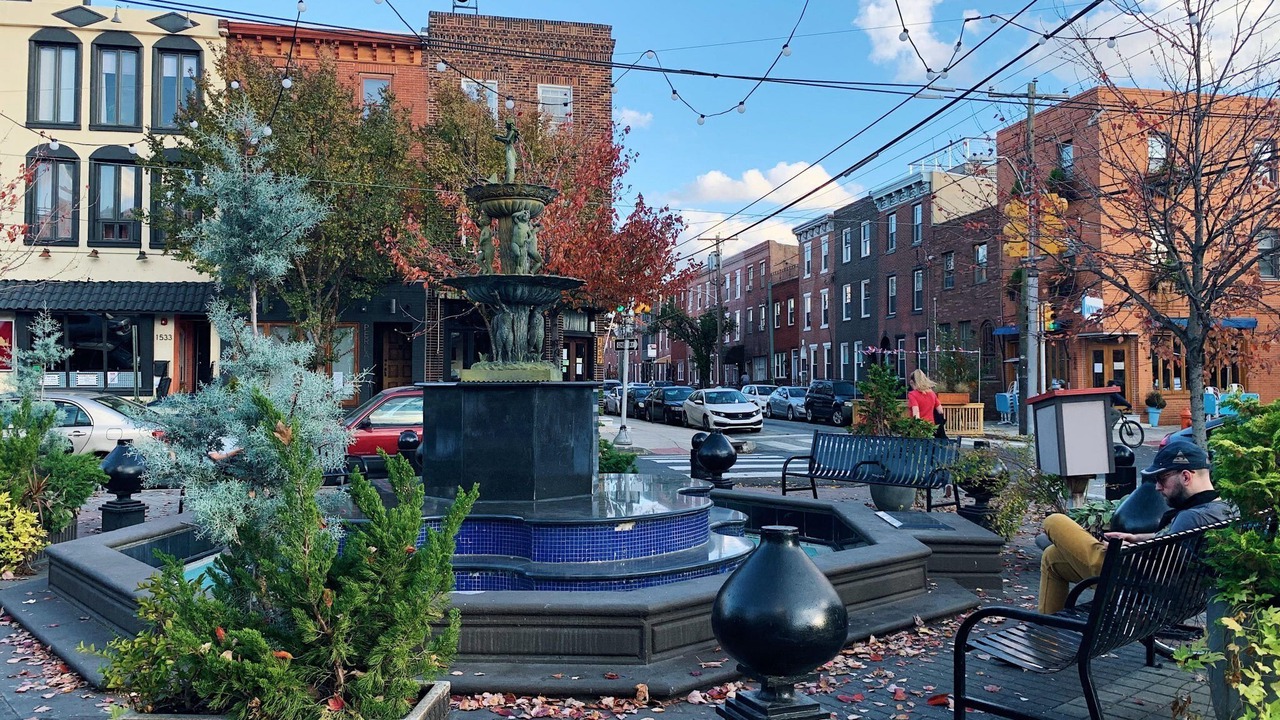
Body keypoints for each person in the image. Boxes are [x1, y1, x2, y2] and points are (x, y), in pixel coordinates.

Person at [1036, 439, 1236, 614]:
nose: (1157, 487)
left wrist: (1124, 552)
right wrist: (1137, 539)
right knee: (1053, 557)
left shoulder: (1191, 518)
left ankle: (1046, 634)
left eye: (1162, 479)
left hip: (1133, 586)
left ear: (1186, 477)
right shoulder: (1225, 509)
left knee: (1055, 521)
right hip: (1173, 594)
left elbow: (1162, 570)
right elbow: (1173, 551)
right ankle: (1047, 631)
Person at [907, 369, 946, 439]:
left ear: (913, 381)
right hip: (932, 427)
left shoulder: (912, 394)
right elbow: (940, 411)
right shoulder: (932, 393)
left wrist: (917, 428)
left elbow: (916, 412)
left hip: (920, 428)